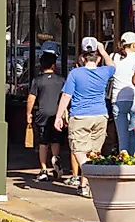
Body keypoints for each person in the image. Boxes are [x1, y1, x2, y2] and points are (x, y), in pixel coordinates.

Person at [59, 46, 115, 189]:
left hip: (79, 116)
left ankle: (90, 177)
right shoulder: (104, 71)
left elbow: (66, 95)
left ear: (83, 59)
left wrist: (58, 116)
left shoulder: (75, 73)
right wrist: (103, 51)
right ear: (98, 59)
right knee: (94, 151)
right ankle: (85, 185)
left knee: (78, 150)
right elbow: (112, 65)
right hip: (100, 115)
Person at [23, 52, 68, 181]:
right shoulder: (61, 80)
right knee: (56, 140)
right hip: (57, 114)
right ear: (54, 65)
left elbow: (31, 98)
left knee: (43, 142)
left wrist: (28, 114)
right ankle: (55, 160)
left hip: (42, 114)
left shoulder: (37, 80)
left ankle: (43, 169)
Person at [109, 31, 135, 155]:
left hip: (118, 99)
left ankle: (123, 161)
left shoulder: (113, 56)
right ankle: (133, 160)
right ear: (133, 44)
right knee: (133, 134)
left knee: (122, 137)